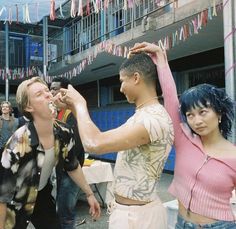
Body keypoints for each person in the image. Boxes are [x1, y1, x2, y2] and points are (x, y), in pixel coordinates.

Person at [58, 52, 174, 229]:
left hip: (139, 218)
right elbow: (99, 137)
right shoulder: (144, 115)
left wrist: (81, 104)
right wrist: (74, 107)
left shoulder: (153, 120)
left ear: (136, 78)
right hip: (132, 214)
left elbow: (94, 143)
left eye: (122, 81)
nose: (120, 89)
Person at [129, 42, 236, 228]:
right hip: (181, 223)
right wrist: (161, 61)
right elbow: (171, 100)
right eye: (190, 115)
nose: (196, 121)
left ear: (219, 114)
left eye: (203, 112)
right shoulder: (184, 140)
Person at [0, 77, 100, 229]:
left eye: (47, 90)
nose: (48, 94)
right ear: (28, 107)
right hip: (15, 202)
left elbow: (71, 165)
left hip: (41, 194)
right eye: (39, 94)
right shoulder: (17, 145)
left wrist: (89, 194)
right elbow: (2, 195)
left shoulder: (64, 131)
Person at [50, 77, 85, 229]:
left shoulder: (72, 113)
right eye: (50, 89)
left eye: (55, 89)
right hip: (61, 170)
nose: (51, 92)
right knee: (59, 211)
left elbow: (73, 146)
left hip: (70, 170)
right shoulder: (57, 113)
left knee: (66, 214)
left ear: (65, 91)